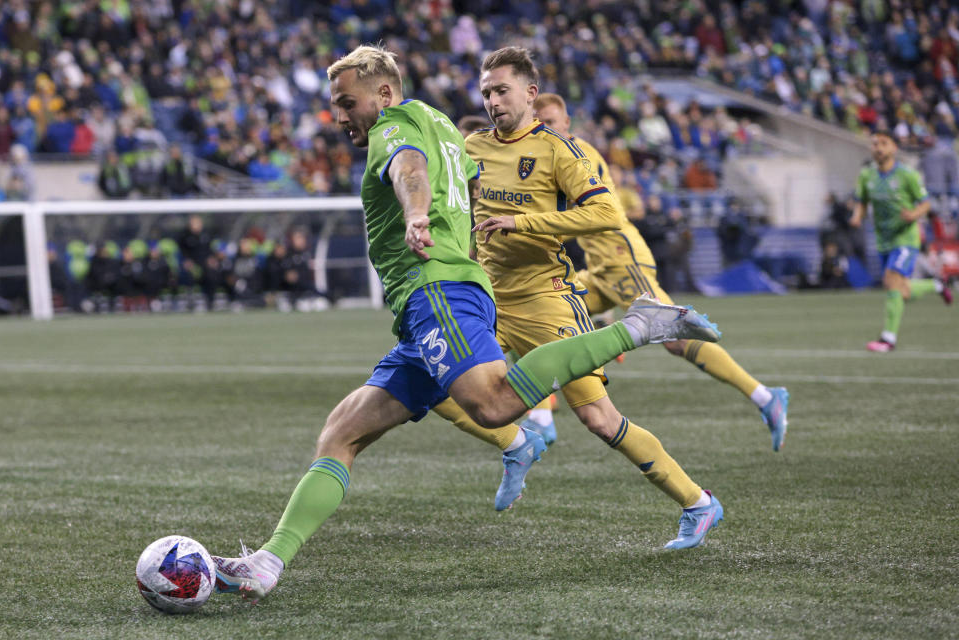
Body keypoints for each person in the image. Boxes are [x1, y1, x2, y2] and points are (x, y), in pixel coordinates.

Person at [212, 44, 722, 603]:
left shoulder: (396, 125)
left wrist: (414, 213)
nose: (339, 117)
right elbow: (460, 179)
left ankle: (641, 327)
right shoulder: (447, 127)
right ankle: (267, 561)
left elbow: (408, 167)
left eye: (345, 102)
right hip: (440, 302)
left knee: (498, 404)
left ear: (383, 94)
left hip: (445, 291)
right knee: (340, 434)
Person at [465, 45, 724, 546]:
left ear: (530, 94)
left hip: (547, 300)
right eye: (486, 92)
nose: (493, 100)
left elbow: (605, 213)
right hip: (488, 300)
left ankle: (698, 502)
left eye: (501, 90)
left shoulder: (561, 151)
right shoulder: (473, 148)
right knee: (439, 382)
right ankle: (517, 442)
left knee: (599, 419)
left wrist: (524, 222)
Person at [531, 92, 789, 451]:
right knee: (545, 314)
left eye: (550, 122)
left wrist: (531, 226)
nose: (543, 128)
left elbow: (593, 216)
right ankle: (542, 416)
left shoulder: (577, 156)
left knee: (676, 339)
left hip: (622, 259)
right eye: (538, 122)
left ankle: (764, 396)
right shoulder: (549, 155)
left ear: (567, 124)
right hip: (601, 268)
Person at [850, 130, 952, 352]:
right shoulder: (867, 175)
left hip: (906, 238)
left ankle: (888, 339)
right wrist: (857, 216)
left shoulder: (908, 175)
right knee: (902, 290)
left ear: (894, 148)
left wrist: (914, 215)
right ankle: (935, 284)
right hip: (883, 240)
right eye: (875, 143)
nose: (878, 147)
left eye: (883, 143)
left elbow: (925, 203)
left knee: (891, 280)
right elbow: (861, 200)